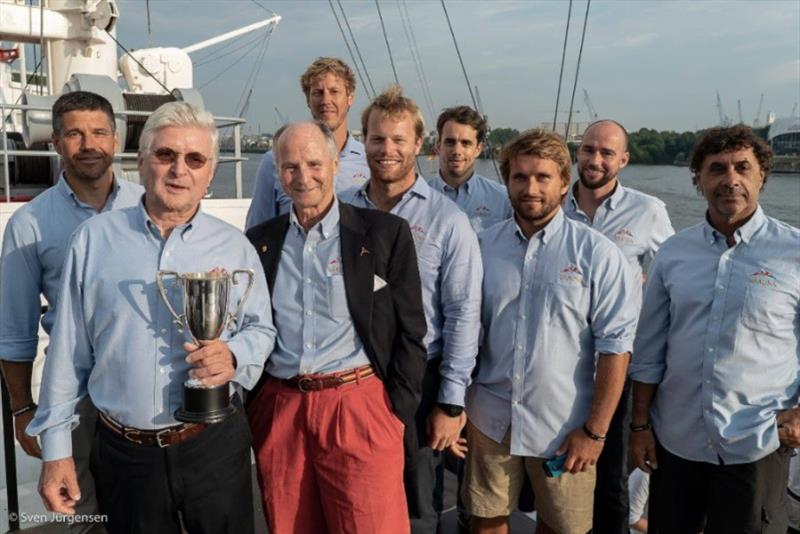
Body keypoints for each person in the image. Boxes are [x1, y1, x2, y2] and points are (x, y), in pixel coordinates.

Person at [28, 101, 276, 534]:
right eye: (166, 155)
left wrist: (233, 356)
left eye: (195, 159)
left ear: (209, 172)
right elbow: (67, 354)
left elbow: (262, 328)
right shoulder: (92, 240)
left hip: (213, 447)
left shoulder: (235, 247)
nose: (179, 169)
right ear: (141, 162)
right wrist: (56, 452)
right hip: (125, 455)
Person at [245, 121, 427, 534]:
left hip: (359, 406)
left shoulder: (384, 233)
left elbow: (412, 332)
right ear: (276, 170)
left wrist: (396, 412)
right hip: (282, 410)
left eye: (313, 163)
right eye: (290, 166)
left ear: (334, 164)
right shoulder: (259, 242)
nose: (302, 176)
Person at [463, 129, 637, 534]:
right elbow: (465, 330)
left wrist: (594, 433)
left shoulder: (598, 255)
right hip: (490, 418)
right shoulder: (482, 246)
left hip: (564, 427)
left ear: (563, 182)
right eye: (520, 177)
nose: (531, 188)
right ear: (506, 181)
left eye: (543, 177)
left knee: (562, 527)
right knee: (485, 520)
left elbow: (616, 350)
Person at [629, 125, 800, 534]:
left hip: (756, 443)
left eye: (743, 167)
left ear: (762, 176)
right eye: (717, 169)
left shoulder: (793, 253)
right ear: (698, 180)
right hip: (677, 440)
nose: (730, 179)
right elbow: (650, 349)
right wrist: (639, 427)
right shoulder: (673, 253)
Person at [340, 86, 482, 534]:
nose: (387, 150)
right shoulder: (340, 208)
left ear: (418, 145)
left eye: (399, 140)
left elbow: (462, 313)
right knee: (355, 491)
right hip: (353, 374)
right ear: (363, 141)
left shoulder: (448, 221)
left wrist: (451, 402)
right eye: (378, 139)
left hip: (421, 378)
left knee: (420, 501)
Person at [0, 90, 143, 533]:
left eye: (99, 132)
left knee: (150, 511)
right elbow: (14, 330)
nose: (89, 144)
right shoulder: (29, 225)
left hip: (142, 388)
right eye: (75, 134)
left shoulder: (148, 205)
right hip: (77, 397)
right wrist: (23, 410)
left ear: (116, 138)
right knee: (87, 515)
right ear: (56, 143)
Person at [564, 119, 674, 533]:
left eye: (607, 153)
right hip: (560, 361)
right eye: (588, 149)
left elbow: (669, 285)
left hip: (617, 364)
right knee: (558, 463)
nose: (595, 160)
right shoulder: (551, 203)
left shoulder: (648, 212)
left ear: (624, 160)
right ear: (577, 152)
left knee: (609, 474)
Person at [245, 57, 369, 229]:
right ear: (307, 100)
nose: (326, 100)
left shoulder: (368, 161)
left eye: (334, 91)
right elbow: (257, 232)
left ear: (350, 98)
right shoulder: (273, 162)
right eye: (318, 93)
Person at [428, 105, 511, 231]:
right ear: (439, 146)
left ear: (478, 149)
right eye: (450, 142)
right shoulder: (418, 198)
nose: (457, 151)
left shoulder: (502, 199)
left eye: (466, 143)